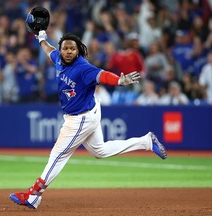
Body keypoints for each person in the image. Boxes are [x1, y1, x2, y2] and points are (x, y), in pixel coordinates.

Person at [9, 30, 167, 209]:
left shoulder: (83, 68)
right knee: (100, 151)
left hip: (80, 118)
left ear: (78, 51)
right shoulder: (58, 58)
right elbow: (48, 49)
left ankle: (33, 194)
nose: (68, 51)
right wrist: (42, 39)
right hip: (89, 111)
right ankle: (146, 141)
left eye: (72, 49)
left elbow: (102, 75)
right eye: (65, 48)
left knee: (58, 154)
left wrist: (119, 81)